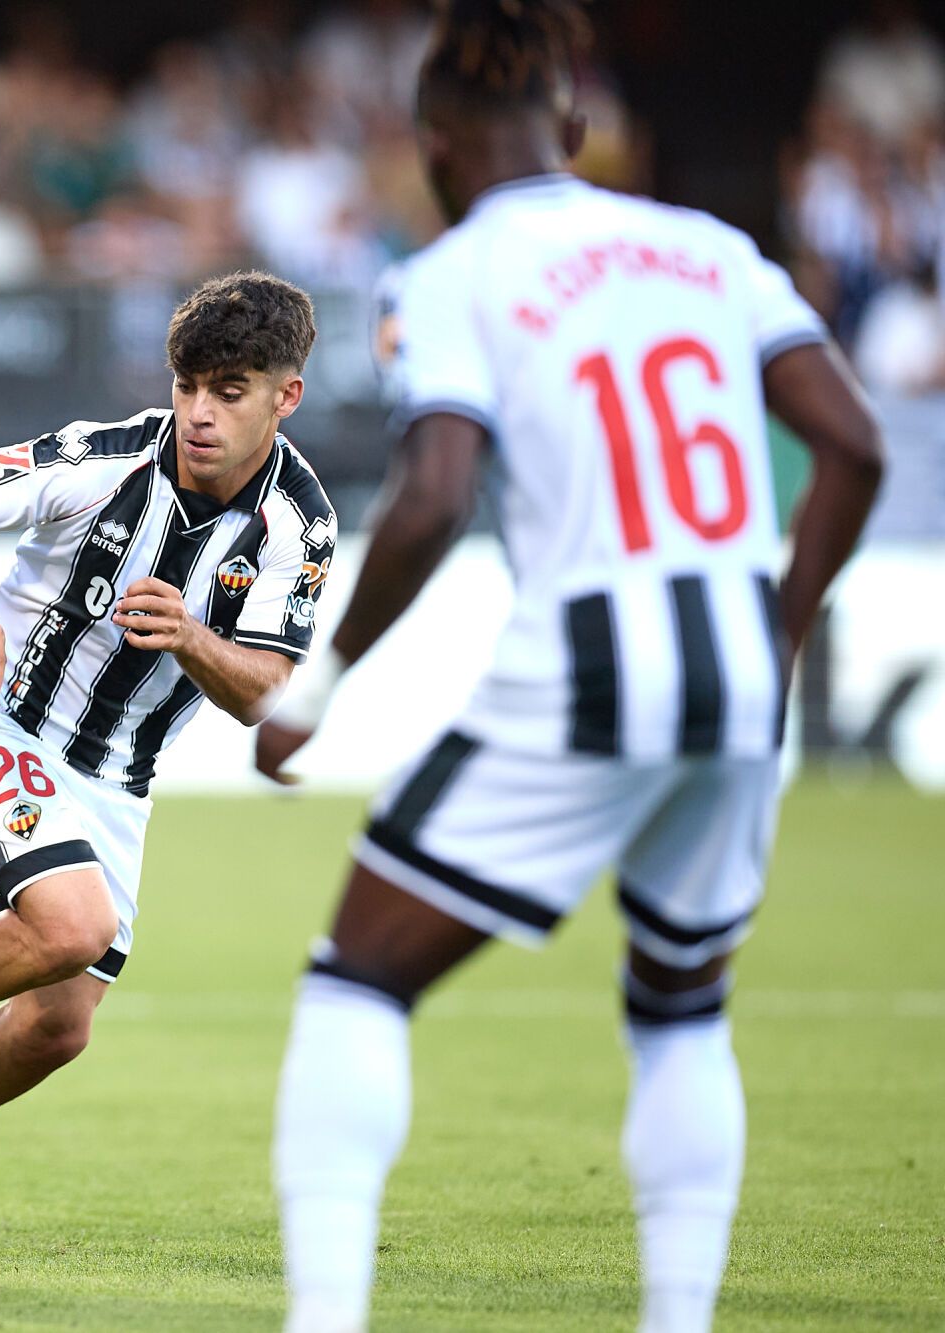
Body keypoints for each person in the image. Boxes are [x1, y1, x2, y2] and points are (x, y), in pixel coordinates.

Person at [254, 5, 885, 1331]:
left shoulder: (450, 273)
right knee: (679, 1005)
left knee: (360, 975)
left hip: (595, 658)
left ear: (432, 144)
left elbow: (432, 496)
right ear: (578, 130)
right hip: (735, 669)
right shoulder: (710, 249)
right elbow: (856, 445)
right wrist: (779, 625)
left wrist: (319, 681)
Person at [0, 272, 336, 1242]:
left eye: (228, 391)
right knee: (68, 924)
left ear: (284, 395)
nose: (198, 413)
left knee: (58, 1028)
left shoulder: (295, 525)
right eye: (187, 386)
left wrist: (188, 636)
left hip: (117, 782)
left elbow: (268, 696)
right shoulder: (101, 460)